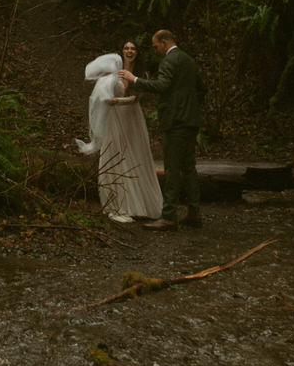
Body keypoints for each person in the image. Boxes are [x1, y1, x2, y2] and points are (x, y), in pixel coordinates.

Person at [119, 28, 201, 230]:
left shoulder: (169, 61)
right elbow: (201, 88)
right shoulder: (189, 60)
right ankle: (194, 213)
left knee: (172, 168)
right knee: (189, 168)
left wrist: (134, 79)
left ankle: (169, 217)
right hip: (190, 121)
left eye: (156, 45)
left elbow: (162, 85)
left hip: (175, 122)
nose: (155, 49)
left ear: (164, 42)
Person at [75, 40, 163, 223]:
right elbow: (98, 85)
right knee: (113, 154)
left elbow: (137, 98)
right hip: (113, 118)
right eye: (126, 48)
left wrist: (118, 101)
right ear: (122, 51)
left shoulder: (140, 74)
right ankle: (116, 203)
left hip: (131, 116)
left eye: (133, 49)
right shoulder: (113, 69)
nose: (129, 51)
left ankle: (138, 204)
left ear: (137, 53)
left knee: (134, 155)